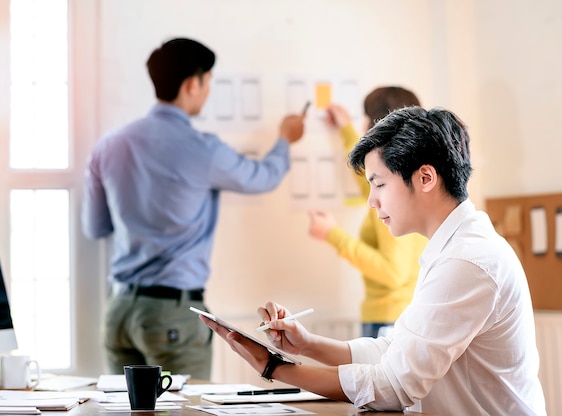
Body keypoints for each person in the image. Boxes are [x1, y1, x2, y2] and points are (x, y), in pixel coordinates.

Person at [200, 106, 546, 414]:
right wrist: (306, 344)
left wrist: (274, 368)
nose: (371, 201)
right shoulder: (453, 249)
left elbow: (394, 386)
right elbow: (394, 351)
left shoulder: (467, 261)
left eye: (378, 184)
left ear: (425, 177)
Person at [81, 37, 305, 380]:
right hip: (172, 314)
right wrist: (284, 140)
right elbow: (262, 178)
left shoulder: (109, 145)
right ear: (192, 84)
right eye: (208, 82)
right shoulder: (202, 149)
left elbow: (95, 228)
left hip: (119, 312)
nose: (207, 91)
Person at [308, 86, 428, 338]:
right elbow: (368, 181)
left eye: (365, 119)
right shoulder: (407, 178)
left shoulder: (396, 191)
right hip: (396, 317)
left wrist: (333, 235)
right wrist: (346, 130)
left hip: (389, 322)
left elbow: (393, 272)